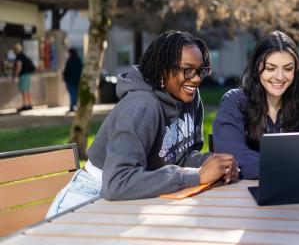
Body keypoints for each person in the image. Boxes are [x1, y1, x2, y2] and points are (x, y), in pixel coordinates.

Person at [47, 30, 238, 217]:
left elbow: (182, 156)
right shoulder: (142, 105)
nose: (196, 79)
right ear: (163, 70)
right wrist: (196, 176)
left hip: (134, 195)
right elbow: (117, 183)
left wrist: (214, 164)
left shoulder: (189, 97)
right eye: (187, 70)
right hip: (86, 199)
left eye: (200, 71)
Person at [212, 30, 299, 179]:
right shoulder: (235, 101)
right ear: (257, 68)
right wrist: (293, 167)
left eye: (288, 68)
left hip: (298, 191)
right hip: (244, 192)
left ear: (296, 70)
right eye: (270, 68)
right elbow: (232, 155)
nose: (280, 77)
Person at [12, 43, 35, 112]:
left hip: (23, 75)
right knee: (27, 90)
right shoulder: (24, 55)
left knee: (24, 90)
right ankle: (30, 104)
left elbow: (19, 66)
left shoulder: (19, 56)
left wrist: (15, 75)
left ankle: (25, 105)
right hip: (28, 75)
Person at [63, 48, 83, 113]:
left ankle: (73, 106)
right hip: (77, 80)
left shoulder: (70, 60)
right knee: (76, 94)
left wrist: (65, 78)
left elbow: (67, 71)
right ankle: (76, 106)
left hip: (71, 81)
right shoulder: (78, 60)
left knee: (72, 94)